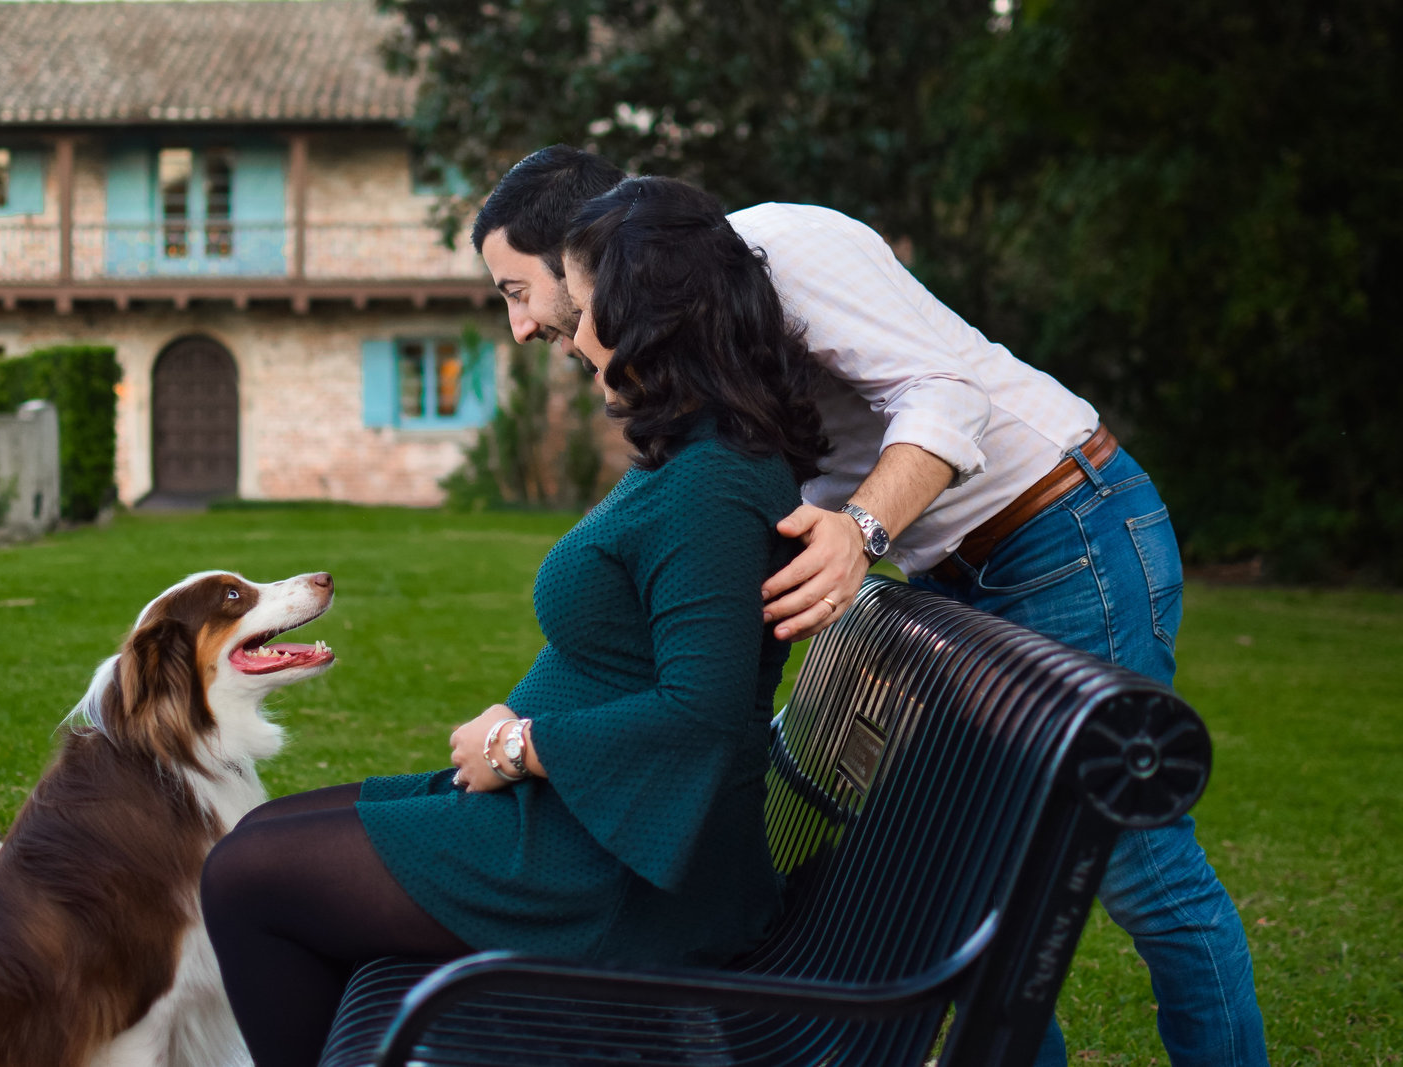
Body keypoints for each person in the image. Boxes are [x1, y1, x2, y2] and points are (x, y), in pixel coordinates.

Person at [472, 145, 1268, 1067]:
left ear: (577, 255)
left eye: (517, 289)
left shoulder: (783, 250)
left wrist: (859, 529)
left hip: (1066, 528)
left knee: (1138, 861)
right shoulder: (687, 322)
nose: (523, 326)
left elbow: (947, 395)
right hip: (954, 572)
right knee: (973, 877)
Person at [200, 176, 830, 1067]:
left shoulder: (713, 480)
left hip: (616, 869)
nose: (571, 327)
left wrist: (520, 746)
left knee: (247, 879)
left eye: (583, 298)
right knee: (258, 843)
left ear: (645, 309)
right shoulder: (691, 452)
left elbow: (706, 711)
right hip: (588, 822)